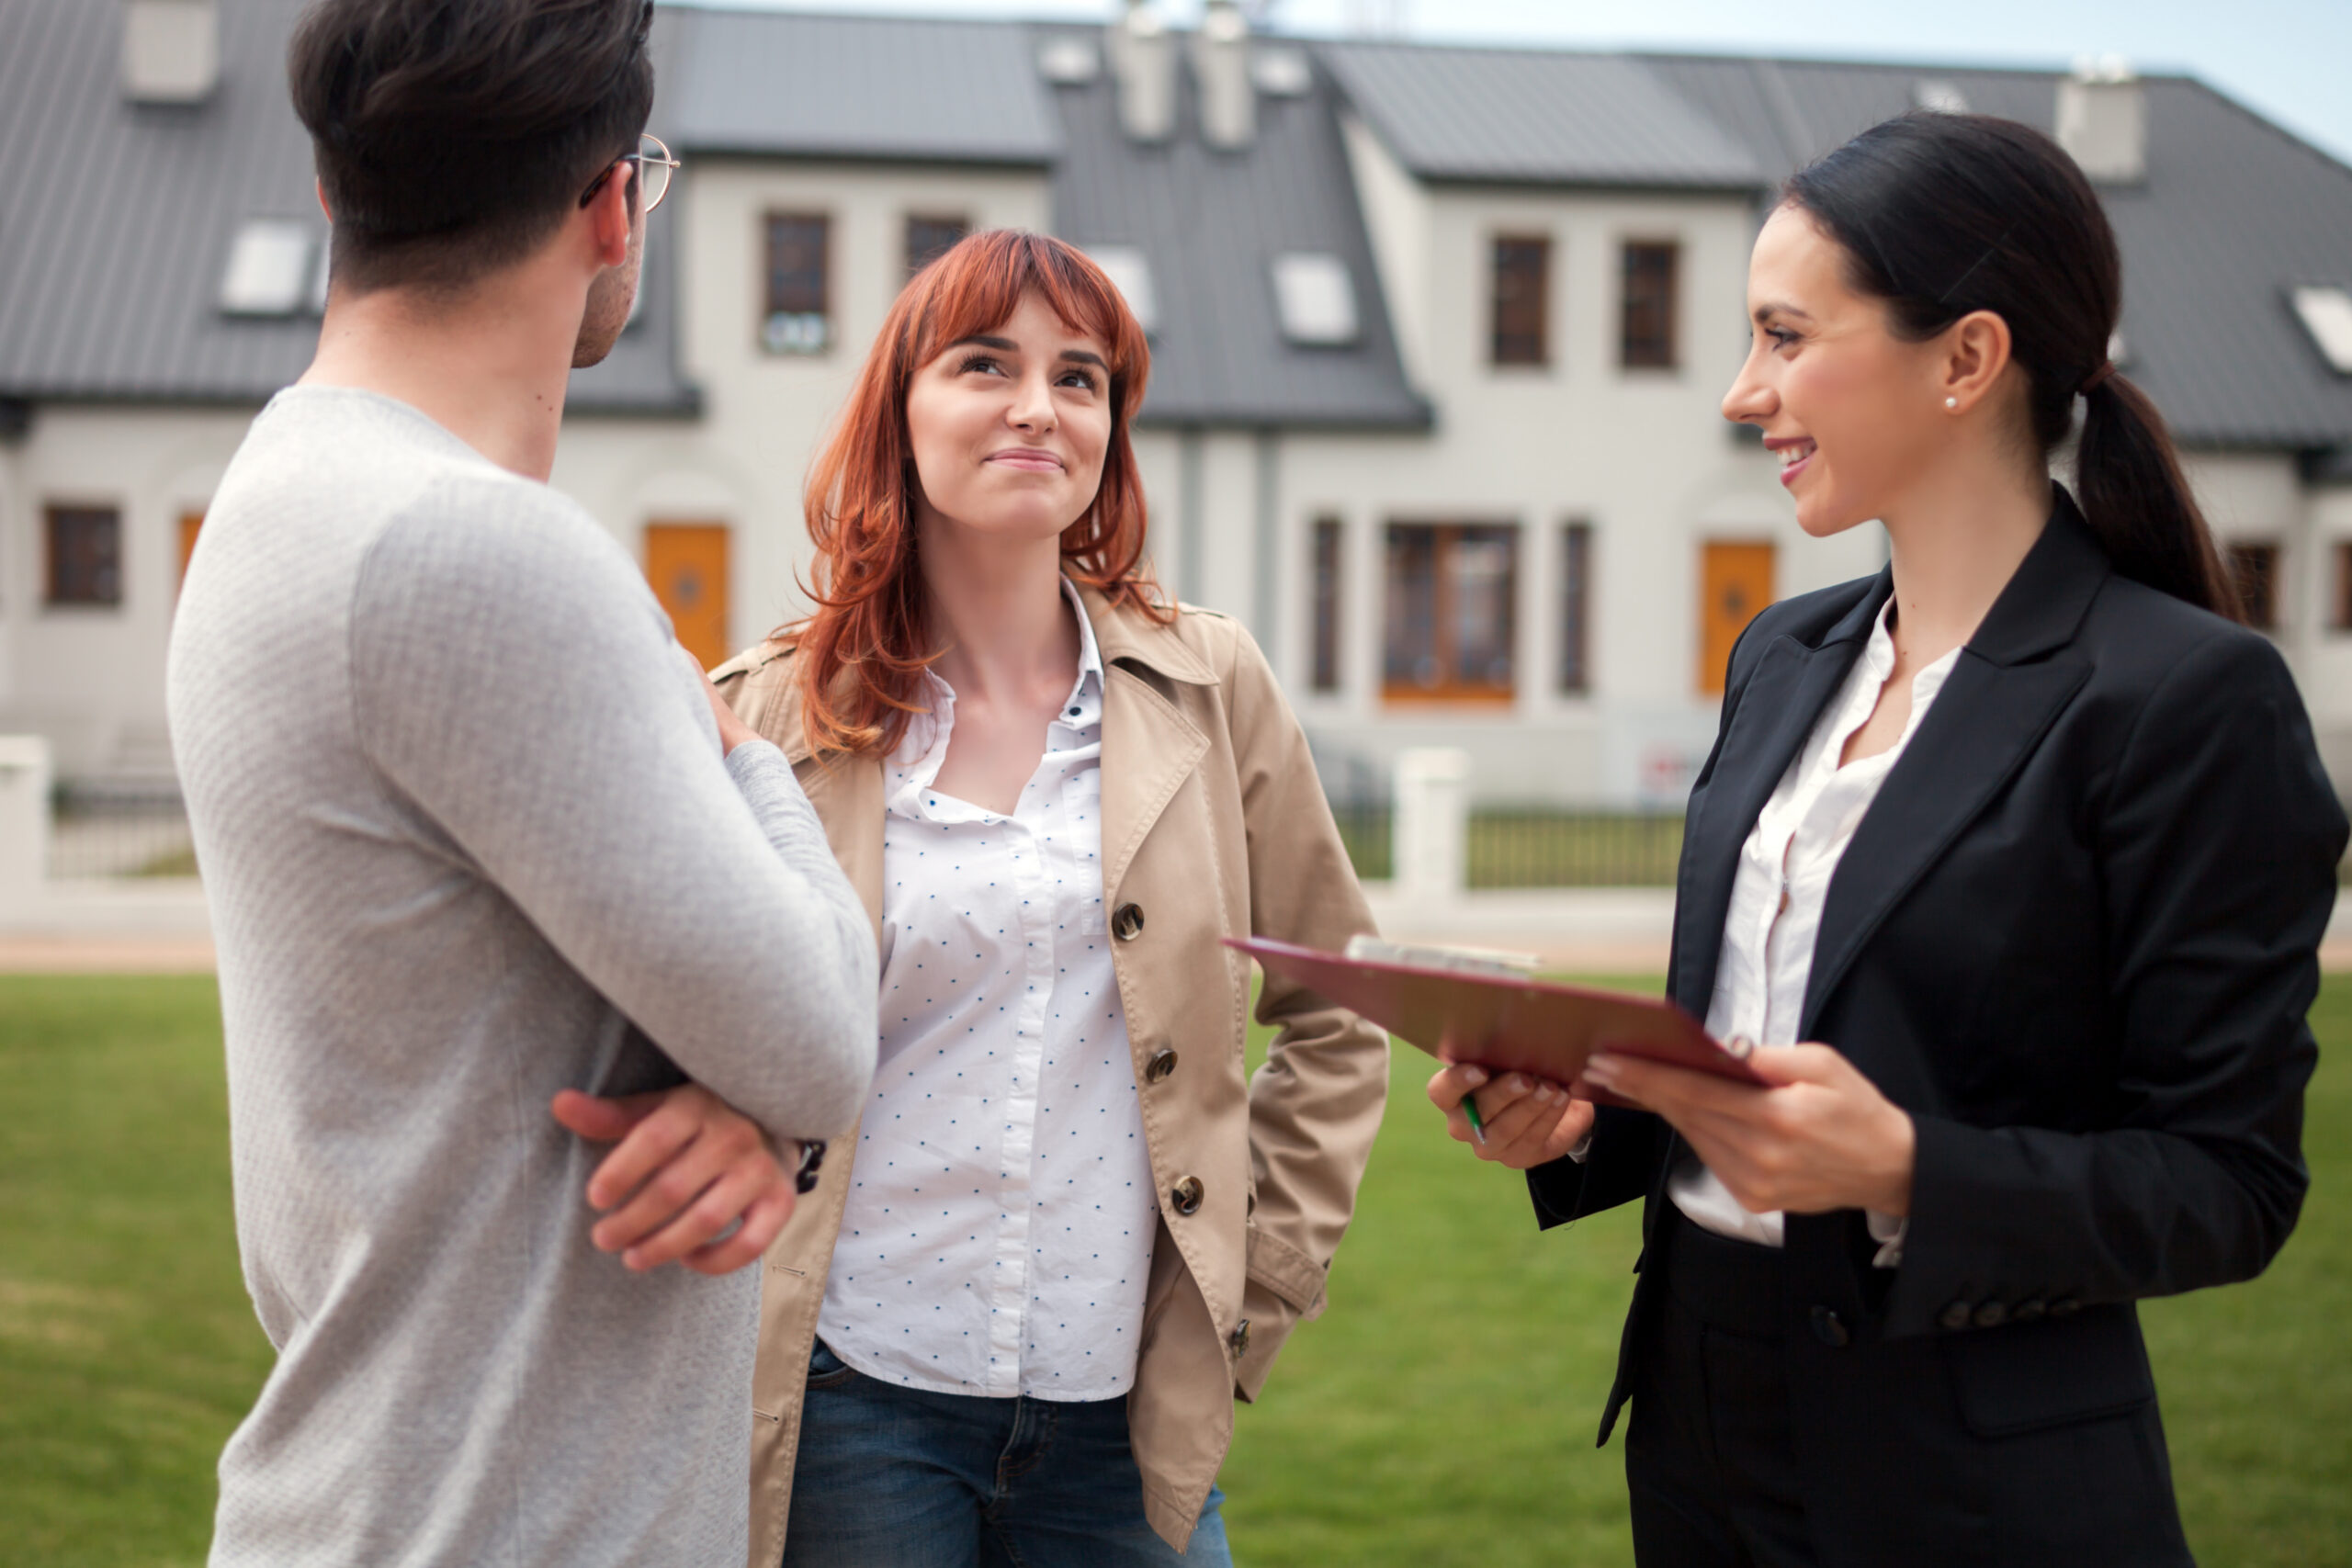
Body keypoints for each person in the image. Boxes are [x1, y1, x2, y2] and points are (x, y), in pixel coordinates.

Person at [1427, 111, 2346, 1568]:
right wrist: (1586, 1114)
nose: (1744, 394)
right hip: (1700, 1424)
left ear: (1968, 359)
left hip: (1973, 1473)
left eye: (1788, 337)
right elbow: (1747, 1056)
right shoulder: (1783, 656)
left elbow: (2231, 1187)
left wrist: (1911, 1168)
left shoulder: (2183, 699)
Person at [166, 3, 877, 1563]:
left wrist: (739, 1093)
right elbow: (823, 1038)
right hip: (489, 1521)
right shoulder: (474, 551)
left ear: (331, 197)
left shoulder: (281, 496)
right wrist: (734, 744)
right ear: (615, 202)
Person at [709, 229, 1391, 1567]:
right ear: (899, 412)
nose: (1039, 405)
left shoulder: (1212, 684)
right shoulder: (763, 715)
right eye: (985, 364)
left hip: (1120, 1413)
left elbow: (1340, 1007)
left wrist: (1257, 1283)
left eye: (1080, 379)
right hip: (856, 1400)